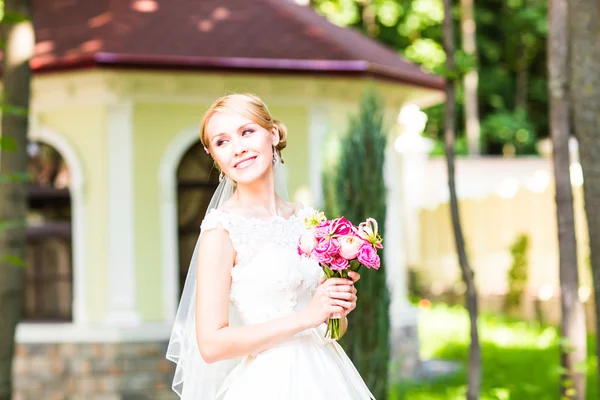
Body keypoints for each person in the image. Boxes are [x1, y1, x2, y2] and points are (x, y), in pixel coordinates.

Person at [166, 93, 375, 399]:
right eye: (222, 142)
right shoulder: (221, 230)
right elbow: (211, 345)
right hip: (267, 384)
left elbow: (331, 331)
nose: (238, 149)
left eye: (246, 132)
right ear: (216, 158)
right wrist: (307, 316)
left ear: (273, 134)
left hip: (327, 377)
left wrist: (336, 307)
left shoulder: (307, 220)